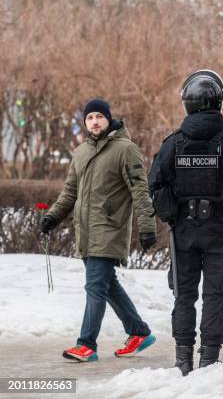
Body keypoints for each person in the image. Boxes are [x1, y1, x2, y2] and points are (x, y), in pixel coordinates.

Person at [40, 98, 157, 362]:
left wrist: (147, 227)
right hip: (86, 232)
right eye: (90, 117)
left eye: (99, 117)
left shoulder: (125, 150)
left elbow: (140, 190)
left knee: (95, 286)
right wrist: (52, 217)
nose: (94, 122)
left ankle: (87, 345)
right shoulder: (81, 152)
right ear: (85, 122)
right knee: (107, 286)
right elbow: (70, 191)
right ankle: (139, 332)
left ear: (108, 119)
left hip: (109, 229)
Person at [148, 70, 223, 375]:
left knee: (184, 295)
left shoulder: (172, 143)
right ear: (219, 102)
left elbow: (155, 183)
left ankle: (183, 360)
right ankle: (209, 360)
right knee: (215, 295)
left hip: (184, 229)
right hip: (220, 228)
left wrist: (170, 215)